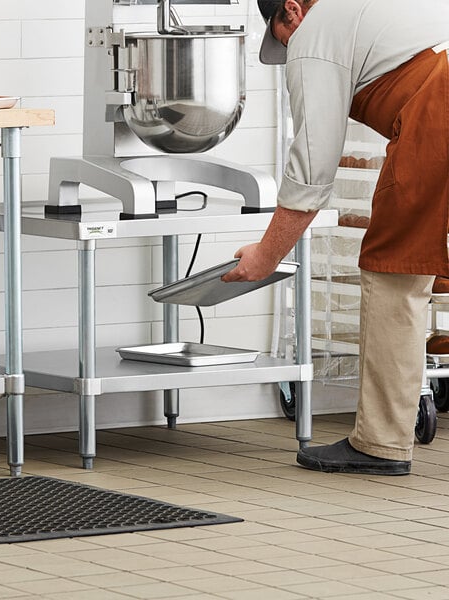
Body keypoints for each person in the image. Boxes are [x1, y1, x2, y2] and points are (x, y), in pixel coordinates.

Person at [222, 0, 449, 475]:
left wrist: (265, 256)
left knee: (395, 271)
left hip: (440, 110)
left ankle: (381, 443)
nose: (287, 47)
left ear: (292, 11)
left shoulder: (313, 35)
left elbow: (312, 165)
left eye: (279, 35)